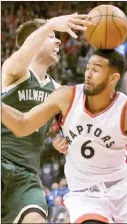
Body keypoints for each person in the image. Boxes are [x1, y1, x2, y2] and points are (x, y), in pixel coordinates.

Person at [2, 49, 127, 224]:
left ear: (114, 78)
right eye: (88, 67)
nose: (88, 73)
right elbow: (23, 124)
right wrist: (58, 137)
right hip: (85, 195)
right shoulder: (66, 97)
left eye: (96, 69)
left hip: (125, 188)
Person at [1, 13, 91, 223]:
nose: (58, 40)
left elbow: (72, 131)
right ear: (35, 40)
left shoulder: (58, 91)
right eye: (52, 36)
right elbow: (20, 57)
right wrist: (50, 24)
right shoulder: (13, 73)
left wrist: (66, 140)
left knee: (36, 219)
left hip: (26, 173)